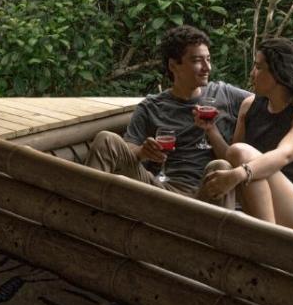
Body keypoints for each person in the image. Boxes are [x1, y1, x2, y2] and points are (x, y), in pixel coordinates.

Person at [85, 25, 249, 195]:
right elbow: (127, 150)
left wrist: (243, 113)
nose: (207, 67)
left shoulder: (224, 93)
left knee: (221, 166)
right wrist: (142, 152)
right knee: (106, 139)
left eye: (208, 59)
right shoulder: (151, 107)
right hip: (160, 192)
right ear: (173, 65)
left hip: (208, 195)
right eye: (197, 60)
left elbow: (262, 101)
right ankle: (84, 206)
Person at [197, 37, 293, 232]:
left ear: (279, 72)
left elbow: (284, 154)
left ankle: (268, 242)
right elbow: (231, 157)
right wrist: (210, 130)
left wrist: (239, 174)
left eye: (258, 67)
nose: (252, 74)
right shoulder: (249, 105)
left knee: (242, 153)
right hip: (256, 197)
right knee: (221, 166)